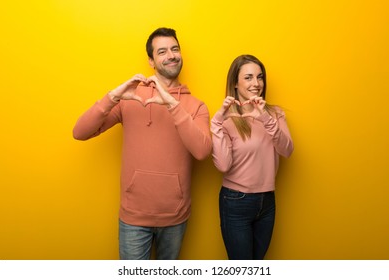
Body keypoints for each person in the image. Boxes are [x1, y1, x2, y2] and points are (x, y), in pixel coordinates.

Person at [73, 27, 212, 260]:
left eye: (175, 49)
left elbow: (202, 151)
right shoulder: (131, 97)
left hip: (175, 218)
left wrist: (172, 105)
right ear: (151, 60)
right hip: (134, 219)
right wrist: (112, 97)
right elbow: (80, 131)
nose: (171, 55)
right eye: (162, 51)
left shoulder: (196, 106)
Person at [211, 54, 294, 260]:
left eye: (260, 77)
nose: (256, 83)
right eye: (248, 77)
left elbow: (287, 150)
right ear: (235, 84)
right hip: (236, 201)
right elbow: (222, 165)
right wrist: (216, 126)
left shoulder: (275, 114)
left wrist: (265, 119)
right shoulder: (227, 119)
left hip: (267, 201)